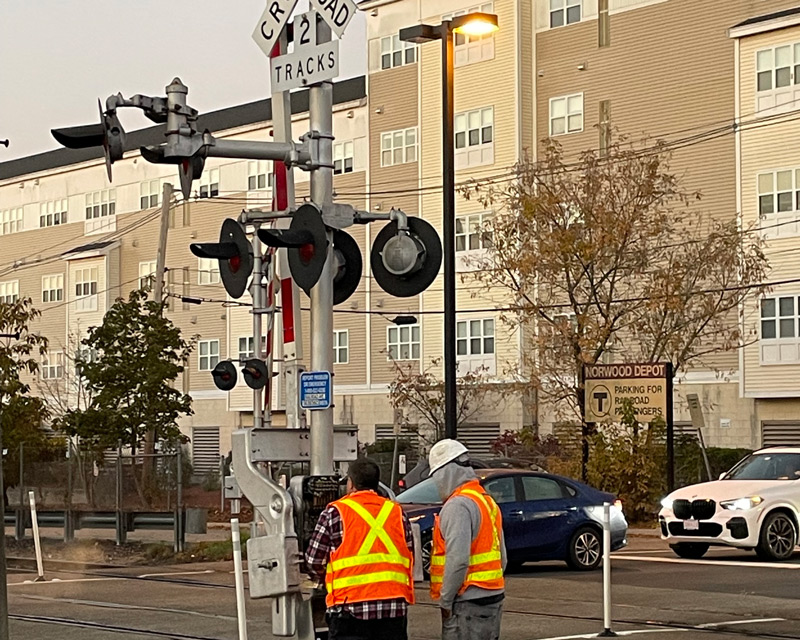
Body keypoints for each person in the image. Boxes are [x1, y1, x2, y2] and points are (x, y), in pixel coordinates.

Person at [305, 458, 415, 640]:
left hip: (349, 610)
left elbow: (314, 561)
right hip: (394, 610)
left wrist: (325, 577)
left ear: (351, 484)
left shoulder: (335, 513)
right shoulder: (396, 512)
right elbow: (409, 555)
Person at [428, 439, 506, 640]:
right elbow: (502, 559)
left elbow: (458, 560)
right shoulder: (486, 501)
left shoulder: (458, 505)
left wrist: (446, 600)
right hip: (492, 597)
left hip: (467, 602)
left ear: (446, 472)